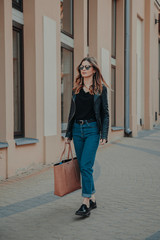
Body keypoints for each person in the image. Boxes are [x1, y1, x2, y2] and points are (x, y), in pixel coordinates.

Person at [65, 56, 109, 217]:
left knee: (85, 165)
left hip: (92, 130)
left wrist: (104, 134)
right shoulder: (76, 89)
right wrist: (68, 134)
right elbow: (72, 114)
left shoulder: (100, 89)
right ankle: (93, 197)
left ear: (94, 70)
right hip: (77, 130)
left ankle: (85, 203)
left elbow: (105, 113)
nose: (83, 69)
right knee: (84, 166)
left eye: (87, 67)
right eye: (81, 67)